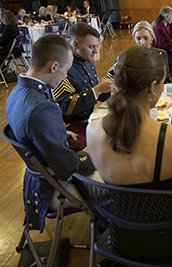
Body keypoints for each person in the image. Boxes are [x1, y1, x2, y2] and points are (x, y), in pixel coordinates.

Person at [86, 45, 172, 261]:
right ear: (152, 87)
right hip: (169, 244)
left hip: (121, 240)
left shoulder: (93, 130)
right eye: (163, 83)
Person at [5, 33, 96, 233]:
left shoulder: (16, 92)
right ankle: (108, 231)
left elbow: (32, 130)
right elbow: (68, 168)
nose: (65, 76)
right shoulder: (42, 108)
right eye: (66, 70)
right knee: (115, 174)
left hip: (37, 180)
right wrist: (93, 152)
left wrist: (59, 131)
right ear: (54, 67)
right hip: (55, 186)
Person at [52, 22, 113, 151]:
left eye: (97, 46)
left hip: (88, 120)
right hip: (70, 127)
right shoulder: (64, 67)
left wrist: (109, 88)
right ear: (76, 44)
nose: (96, 51)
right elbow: (65, 107)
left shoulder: (88, 62)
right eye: (91, 46)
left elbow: (100, 96)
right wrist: (98, 89)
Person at [106, 21, 172, 83]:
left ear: (152, 38)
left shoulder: (161, 55)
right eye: (138, 38)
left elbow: (167, 79)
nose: (142, 42)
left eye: (146, 38)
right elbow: (108, 80)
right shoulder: (124, 56)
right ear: (134, 38)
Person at [154, 6, 172, 82]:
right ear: (166, 17)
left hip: (168, 49)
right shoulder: (159, 28)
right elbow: (161, 46)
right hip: (162, 53)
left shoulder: (169, 24)